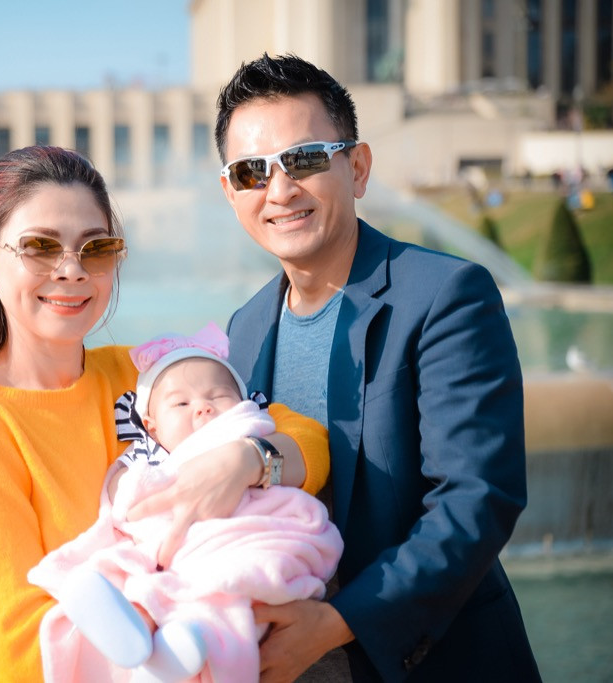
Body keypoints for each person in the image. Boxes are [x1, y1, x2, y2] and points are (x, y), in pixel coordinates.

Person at [0, 145, 329, 682]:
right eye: (40, 246)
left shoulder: (146, 376)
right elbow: (21, 640)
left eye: (95, 248)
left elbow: (304, 436)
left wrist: (244, 461)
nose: (72, 270)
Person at [214, 54, 542, 682]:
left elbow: (477, 500)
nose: (279, 191)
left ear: (358, 167)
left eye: (305, 159)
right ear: (231, 193)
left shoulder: (446, 295)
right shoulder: (245, 328)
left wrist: (337, 624)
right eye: (251, 171)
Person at [28, 323, 341, 682]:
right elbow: (127, 499)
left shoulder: (253, 430)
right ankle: (135, 633)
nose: (204, 408)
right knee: (132, 573)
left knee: (229, 588)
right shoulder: (149, 458)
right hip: (173, 554)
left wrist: (249, 458)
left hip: (245, 539)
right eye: (181, 403)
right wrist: (132, 487)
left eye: (219, 396)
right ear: (152, 426)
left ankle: (180, 649)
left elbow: (309, 438)